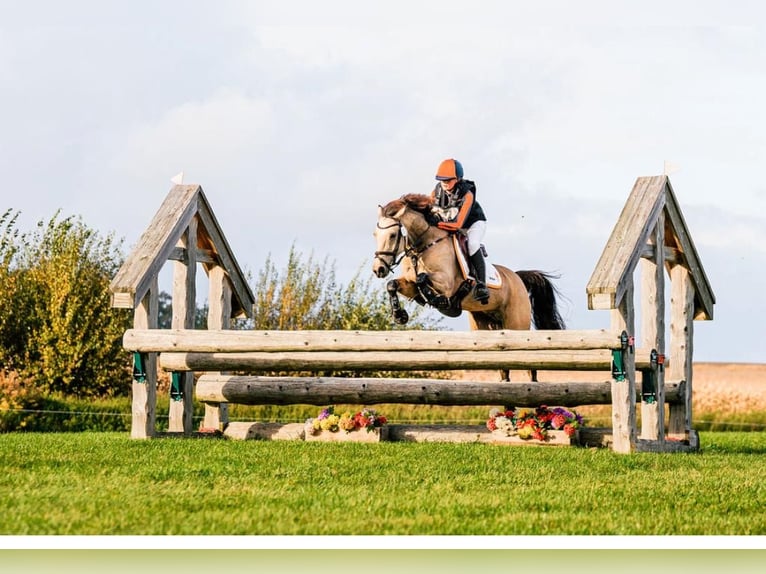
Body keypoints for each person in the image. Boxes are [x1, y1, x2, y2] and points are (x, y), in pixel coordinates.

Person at [430, 158, 490, 303]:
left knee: (473, 244)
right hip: (450, 224)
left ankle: (482, 285)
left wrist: (437, 223)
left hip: (472, 224)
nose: (444, 183)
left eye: (448, 180)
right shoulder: (436, 191)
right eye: (442, 179)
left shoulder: (467, 194)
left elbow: (457, 225)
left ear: (458, 179)